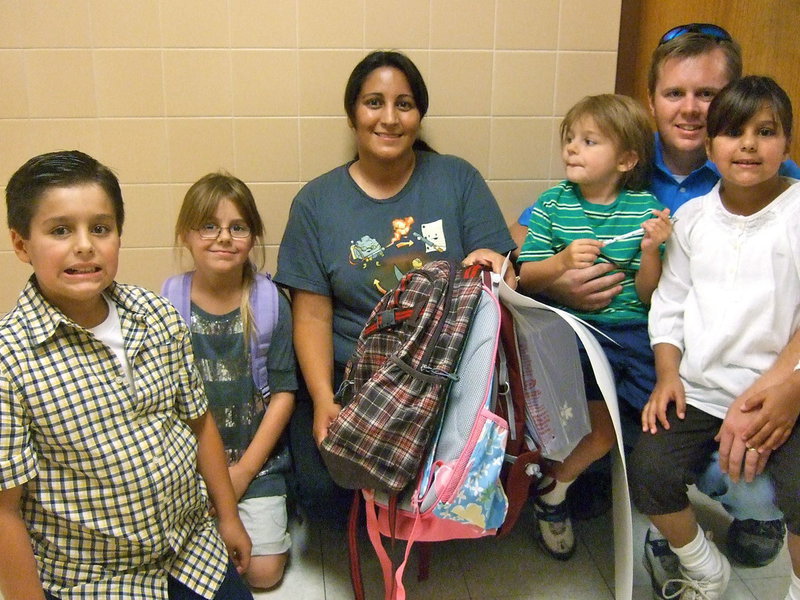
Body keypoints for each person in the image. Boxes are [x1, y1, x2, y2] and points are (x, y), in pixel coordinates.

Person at [511, 22, 793, 575]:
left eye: (707, 94)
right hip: (639, 348)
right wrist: (560, 278)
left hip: (744, 370)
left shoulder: (767, 180)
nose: (690, 109)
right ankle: (616, 487)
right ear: (651, 102)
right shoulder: (623, 166)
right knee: (630, 433)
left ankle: (736, 508)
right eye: (675, 93)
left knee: (747, 476)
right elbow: (528, 238)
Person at [274, 50, 515, 521]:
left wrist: (500, 267)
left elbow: (498, 277)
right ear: (352, 114)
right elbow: (311, 314)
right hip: (356, 377)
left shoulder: (456, 178)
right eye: (373, 103)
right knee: (324, 496)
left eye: (403, 104)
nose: (389, 118)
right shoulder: (316, 202)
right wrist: (324, 399)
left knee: (450, 481)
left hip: (446, 374)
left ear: (419, 116)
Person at [0, 151, 253, 600]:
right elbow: (5, 511)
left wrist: (228, 517)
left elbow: (199, 422)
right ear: (21, 245)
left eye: (101, 228)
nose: (85, 245)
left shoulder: (156, 314)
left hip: (192, 551)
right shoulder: (9, 358)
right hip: (95, 580)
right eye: (61, 230)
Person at [629, 75, 800, 600]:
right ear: (709, 146)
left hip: (786, 389)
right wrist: (666, 376)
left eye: (765, 131)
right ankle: (704, 567)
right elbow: (670, 305)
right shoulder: (693, 218)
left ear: (786, 144)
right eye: (732, 132)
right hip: (700, 390)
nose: (748, 144)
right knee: (649, 473)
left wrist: (786, 387)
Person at [517, 94, 672, 560]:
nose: (572, 149)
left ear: (626, 159)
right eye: (569, 139)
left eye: (588, 141)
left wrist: (650, 252)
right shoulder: (552, 204)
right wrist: (561, 262)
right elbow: (525, 275)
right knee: (601, 432)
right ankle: (553, 492)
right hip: (576, 334)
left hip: (636, 334)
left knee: (651, 430)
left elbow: (649, 294)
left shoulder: (645, 209)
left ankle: (655, 515)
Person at [165, 172, 296, 590]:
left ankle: (276, 509)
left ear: (253, 236)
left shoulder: (270, 301)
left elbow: (283, 396)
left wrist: (242, 473)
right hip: (193, 466)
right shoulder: (167, 302)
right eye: (209, 226)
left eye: (237, 227)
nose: (223, 237)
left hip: (257, 464)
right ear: (185, 234)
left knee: (261, 573)